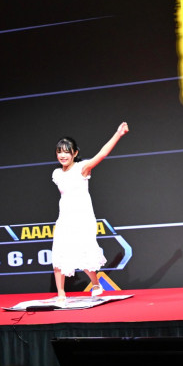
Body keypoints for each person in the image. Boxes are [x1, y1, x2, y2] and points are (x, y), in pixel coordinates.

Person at [51, 122, 129, 302]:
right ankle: (61, 294)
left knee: (84, 253)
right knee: (59, 253)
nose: (62, 155)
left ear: (74, 153)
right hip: (64, 219)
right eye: (59, 152)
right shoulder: (56, 173)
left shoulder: (82, 168)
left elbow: (102, 154)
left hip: (83, 219)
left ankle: (95, 284)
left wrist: (118, 134)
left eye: (67, 152)